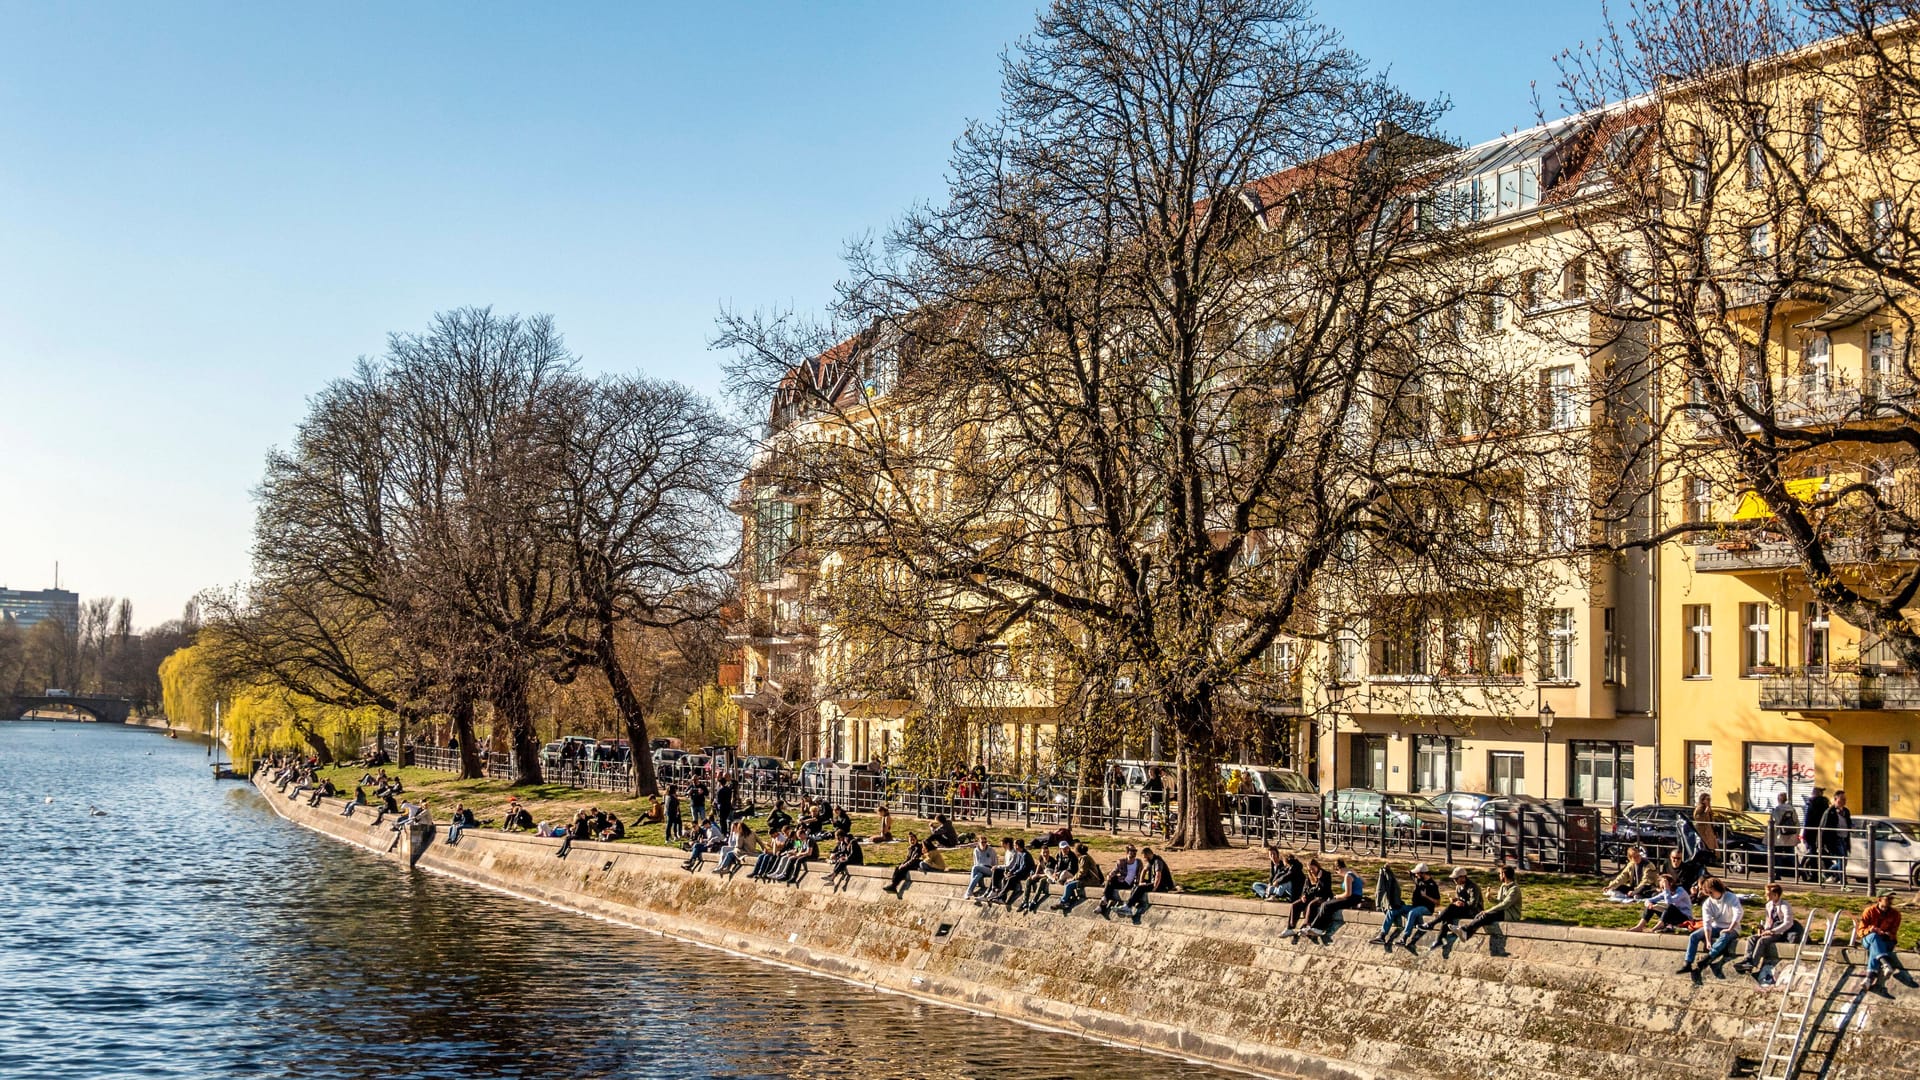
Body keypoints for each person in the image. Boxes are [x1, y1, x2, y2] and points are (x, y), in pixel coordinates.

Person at [1680, 877, 1743, 975]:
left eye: (1711, 893)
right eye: (1708, 893)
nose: (1710, 896)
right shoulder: (1708, 903)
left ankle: (1709, 957)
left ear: (1717, 889)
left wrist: (1730, 928)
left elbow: (1738, 913)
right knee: (1694, 936)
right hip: (1716, 926)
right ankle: (1687, 962)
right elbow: (1707, 922)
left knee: (1724, 936)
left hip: (1732, 927)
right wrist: (1708, 940)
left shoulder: (1731, 897)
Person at [1735, 883, 1795, 983]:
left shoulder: (1785, 905)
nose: (1765, 896)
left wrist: (1772, 931)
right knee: (1751, 938)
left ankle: (1752, 964)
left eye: (1768, 894)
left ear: (1775, 895)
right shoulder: (1768, 905)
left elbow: (1788, 922)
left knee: (1762, 941)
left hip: (1780, 932)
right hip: (1770, 930)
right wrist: (1763, 929)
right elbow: (1768, 920)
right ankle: (1747, 959)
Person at [1410, 867, 1482, 951]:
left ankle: (1431, 924)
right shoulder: (1458, 887)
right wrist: (1456, 901)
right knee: (1447, 916)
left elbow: (1473, 904)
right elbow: (1460, 900)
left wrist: (1462, 903)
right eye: (1453, 879)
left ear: (1463, 877)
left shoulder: (1473, 887)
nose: (1454, 880)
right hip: (1464, 910)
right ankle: (1439, 939)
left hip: (1473, 912)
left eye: (1456, 878)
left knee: (1450, 908)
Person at [1379, 863, 1440, 951]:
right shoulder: (1418, 879)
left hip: (1426, 908)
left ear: (1423, 873)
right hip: (1415, 906)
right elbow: (1407, 869)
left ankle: (1404, 938)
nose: (1415, 875)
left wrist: (1426, 896)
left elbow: (1437, 902)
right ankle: (1382, 935)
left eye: (1417, 873)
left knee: (1412, 913)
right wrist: (1391, 865)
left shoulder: (1432, 885)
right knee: (1393, 910)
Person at [1302, 859, 1365, 942]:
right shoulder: (1353, 872)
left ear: (1338, 869)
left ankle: (1317, 928)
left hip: (1352, 898)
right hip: (1356, 897)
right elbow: (1364, 882)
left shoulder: (1348, 876)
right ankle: (1314, 927)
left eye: (1337, 872)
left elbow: (1348, 894)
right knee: (1326, 904)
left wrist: (1338, 896)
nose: (1338, 874)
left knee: (1326, 905)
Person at [1457, 864, 1521, 942]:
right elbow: (1500, 902)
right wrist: (1491, 898)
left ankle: (1465, 930)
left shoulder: (1515, 889)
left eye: (1500, 873)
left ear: (1504, 874)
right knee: (1480, 915)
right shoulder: (1503, 886)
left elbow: (1505, 904)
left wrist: (1488, 910)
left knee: (1485, 915)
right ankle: (1466, 934)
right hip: (1502, 911)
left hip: (1511, 914)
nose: (1499, 875)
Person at [1861, 892, 1903, 987]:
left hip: (1886, 942)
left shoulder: (1896, 914)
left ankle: (1869, 978)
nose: (1890, 901)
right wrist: (1870, 930)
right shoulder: (1869, 911)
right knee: (1874, 937)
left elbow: (1894, 932)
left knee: (1875, 947)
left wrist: (1888, 934)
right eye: (1887, 898)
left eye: (1891, 899)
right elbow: (1860, 931)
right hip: (1869, 939)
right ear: (1879, 900)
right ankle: (1885, 963)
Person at [1284, 859, 1331, 937]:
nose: (1312, 871)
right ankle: (1290, 927)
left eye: (1313, 869)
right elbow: (1305, 888)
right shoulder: (1309, 875)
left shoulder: (1325, 875)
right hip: (1311, 896)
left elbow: (1322, 890)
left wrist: (1319, 879)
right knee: (1295, 905)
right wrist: (1303, 895)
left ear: (1317, 866)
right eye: (1310, 869)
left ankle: (1306, 925)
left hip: (1322, 897)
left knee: (1311, 905)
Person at [1121, 845, 1173, 916]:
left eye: (1145, 857)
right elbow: (1144, 871)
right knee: (1136, 886)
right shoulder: (1151, 861)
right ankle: (1129, 906)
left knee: (1140, 888)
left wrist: (1154, 888)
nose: (1144, 859)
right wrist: (1140, 882)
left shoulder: (1157, 861)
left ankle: (1128, 906)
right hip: (1154, 882)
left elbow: (1158, 875)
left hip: (1162, 885)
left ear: (1148, 854)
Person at [1097, 845, 1142, 917]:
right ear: (1127, 852)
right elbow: (1114, 871)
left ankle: (1103, 901)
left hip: (1130, 884)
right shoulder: (1121, 862)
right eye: (1132, 851)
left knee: (1110, 886)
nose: (1134, 853)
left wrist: (1138, 882)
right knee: (1111, 881)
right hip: (1121, 882)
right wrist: (1109, 875)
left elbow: (1140, 874)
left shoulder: (1138, 862)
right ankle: (1102, 903)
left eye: (1135, 851)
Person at [1054, 843, 1101, 912]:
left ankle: (1063, 902)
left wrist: (1072, 879)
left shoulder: (1084, 858)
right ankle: (1069, 900)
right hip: (1086, 879)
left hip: (1091, 880)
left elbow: (1082, 873)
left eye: (1074, 850)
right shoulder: (1083, 857)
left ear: (1077, 851)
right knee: (1067, 883)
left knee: (1069, 886)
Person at [1801, 787, 1831, 882]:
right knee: (1823, 853)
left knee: (1813, 854)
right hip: (1822, 833)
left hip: (1811, 833)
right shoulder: (1826, 805)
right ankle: (1829, 872)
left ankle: (1815, 875)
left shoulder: (1811, 804)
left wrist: (1805, 834)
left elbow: (1808, 821)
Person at [1767, 791, 1799, 880]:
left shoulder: (1777, 810)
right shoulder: (1792, 809)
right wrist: (1797, 834)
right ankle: (1796, 871)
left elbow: (1774, 823)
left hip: (1779, 837)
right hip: (1791, 836)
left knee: (1777, 856)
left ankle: (1778, 874)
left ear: (1778, 800)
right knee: (1791, 855)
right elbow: (1796, 822)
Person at [1823, 790, 1853, 882]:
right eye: (1842, 799)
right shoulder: (1830, 812)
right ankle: (1843, 881)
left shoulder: (1846, 811)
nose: (1844, 801)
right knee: (1841, 859)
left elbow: (1849, 823)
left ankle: (1827, 873)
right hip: (1835, 839)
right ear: (1835, 799)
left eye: (1845, 799)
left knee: (1844, 861)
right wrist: (1822, 843)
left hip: (1844, 839)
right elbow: (1823, 827)